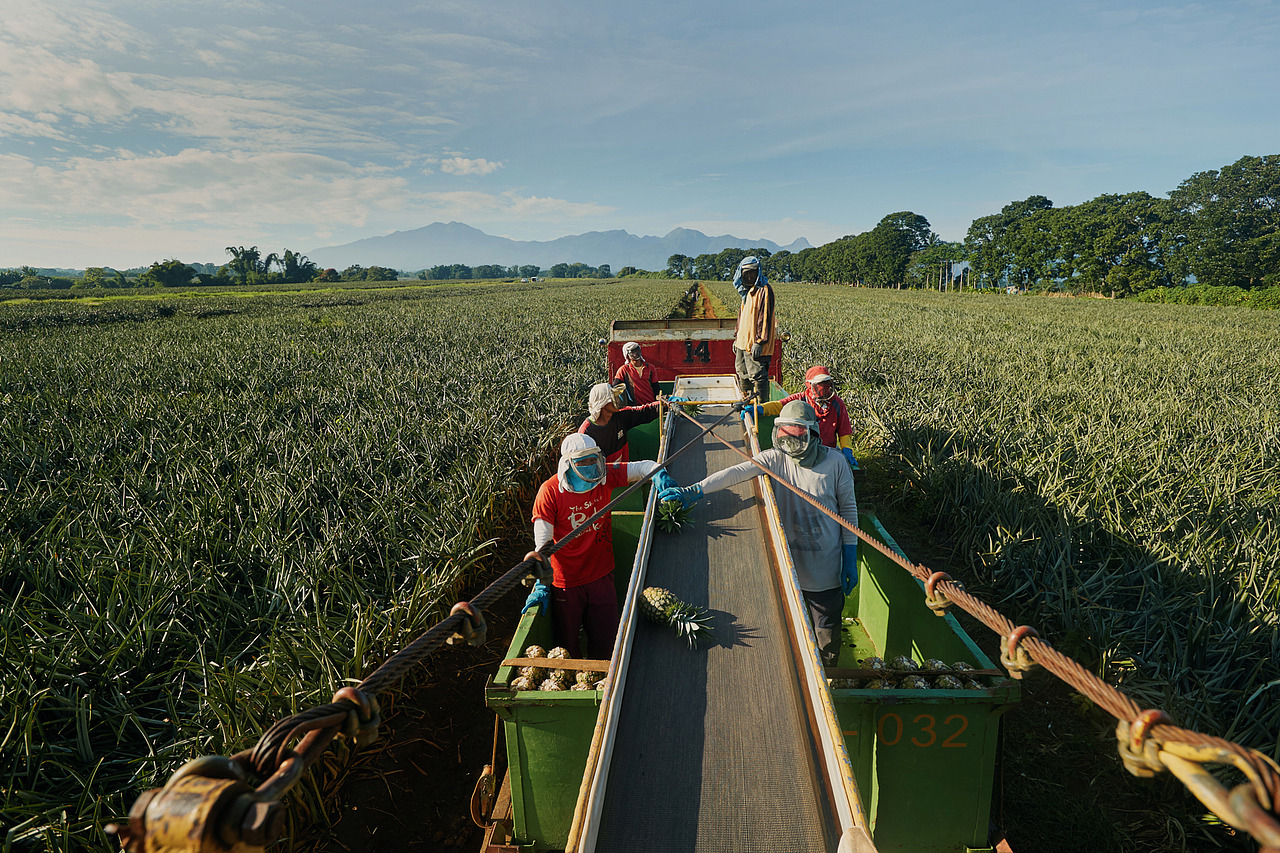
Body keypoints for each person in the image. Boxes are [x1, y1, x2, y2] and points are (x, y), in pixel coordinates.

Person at [659, 400, 857, 667]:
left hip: (826, 568)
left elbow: (848, 511)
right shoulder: (777, 459)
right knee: (794, 630)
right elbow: (735, 472)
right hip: (791, 566)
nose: (789, 447)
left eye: (796, 439)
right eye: (784, 438)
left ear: (813, 435)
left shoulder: (835, 463)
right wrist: (693, 490)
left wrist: (850, 555)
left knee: (826, 629)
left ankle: (829, 672)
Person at [523, 433, 678, 659]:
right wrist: (541, 582)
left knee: (607, 638)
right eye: (581, 462)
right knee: (567, 644)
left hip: (601, 574)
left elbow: (644, 467)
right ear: (567, 464)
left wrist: (660, 476)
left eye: (591, 460)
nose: (589, 467)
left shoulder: (605, 476)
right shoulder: (550, 492)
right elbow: (543, 543)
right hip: (566, 580)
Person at [748, 365, 857, 467]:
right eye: (819, 384)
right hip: (803, 451)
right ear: (809, 385)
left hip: (827, 451)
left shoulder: (837, 404)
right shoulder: (800, 399)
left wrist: (847, 449)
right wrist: (760, 409)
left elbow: (844, 431)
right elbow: (779, 405)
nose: (823, 388)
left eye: (826, 383)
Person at [579, 381, 664, 464]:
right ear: (603, 403)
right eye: (614, 397)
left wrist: (664, 404)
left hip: (623, 473)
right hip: (603, 476)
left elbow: (644, 411)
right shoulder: (586, 432)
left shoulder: (621, 416)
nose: (618, 400)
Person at [731, 255, 776, 402]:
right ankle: (747, 404)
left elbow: (765, 317)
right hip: (742, 343)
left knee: (757, 375)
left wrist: (760, 341)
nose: (750, 276)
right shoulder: (746, 292)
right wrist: (737, 337)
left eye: (753, 273)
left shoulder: (764, 290)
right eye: (747, 273)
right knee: (742, 373)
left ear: (758, 272)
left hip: (754, 344)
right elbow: (742, 317)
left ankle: (760, 408)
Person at [613, 341, 661, 406]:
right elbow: (615, 387)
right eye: (632, 352)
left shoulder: (650, 367)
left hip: (651, 405)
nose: (635, 354)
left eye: (637, 351)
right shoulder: (623, 370)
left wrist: (658, 402)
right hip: (635, 408)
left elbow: (656, 388)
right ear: (627, 356)